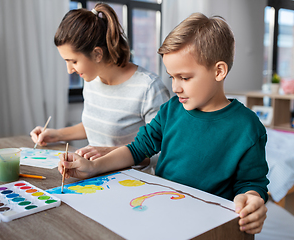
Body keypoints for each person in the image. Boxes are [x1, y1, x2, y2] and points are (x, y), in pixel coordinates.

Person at [58, 12, 269, 235]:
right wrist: (92, 166)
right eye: (172, 77)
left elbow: (251, 183)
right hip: (163, 214)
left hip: (210, 227)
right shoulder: (171, 109)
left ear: (219, 71)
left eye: (185, 77)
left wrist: (252, 199)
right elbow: (137, 150)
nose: (176, 87)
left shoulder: (247, 126)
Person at [30, 3, 169, 164]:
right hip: (96, 177)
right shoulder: (91, 80)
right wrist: (55, 134)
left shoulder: (149, 88)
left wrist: (109, 153)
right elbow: (96, 125)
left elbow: (163, 152)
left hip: (134, 182)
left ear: (97, 54)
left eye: (73, 61)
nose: (69, 70)